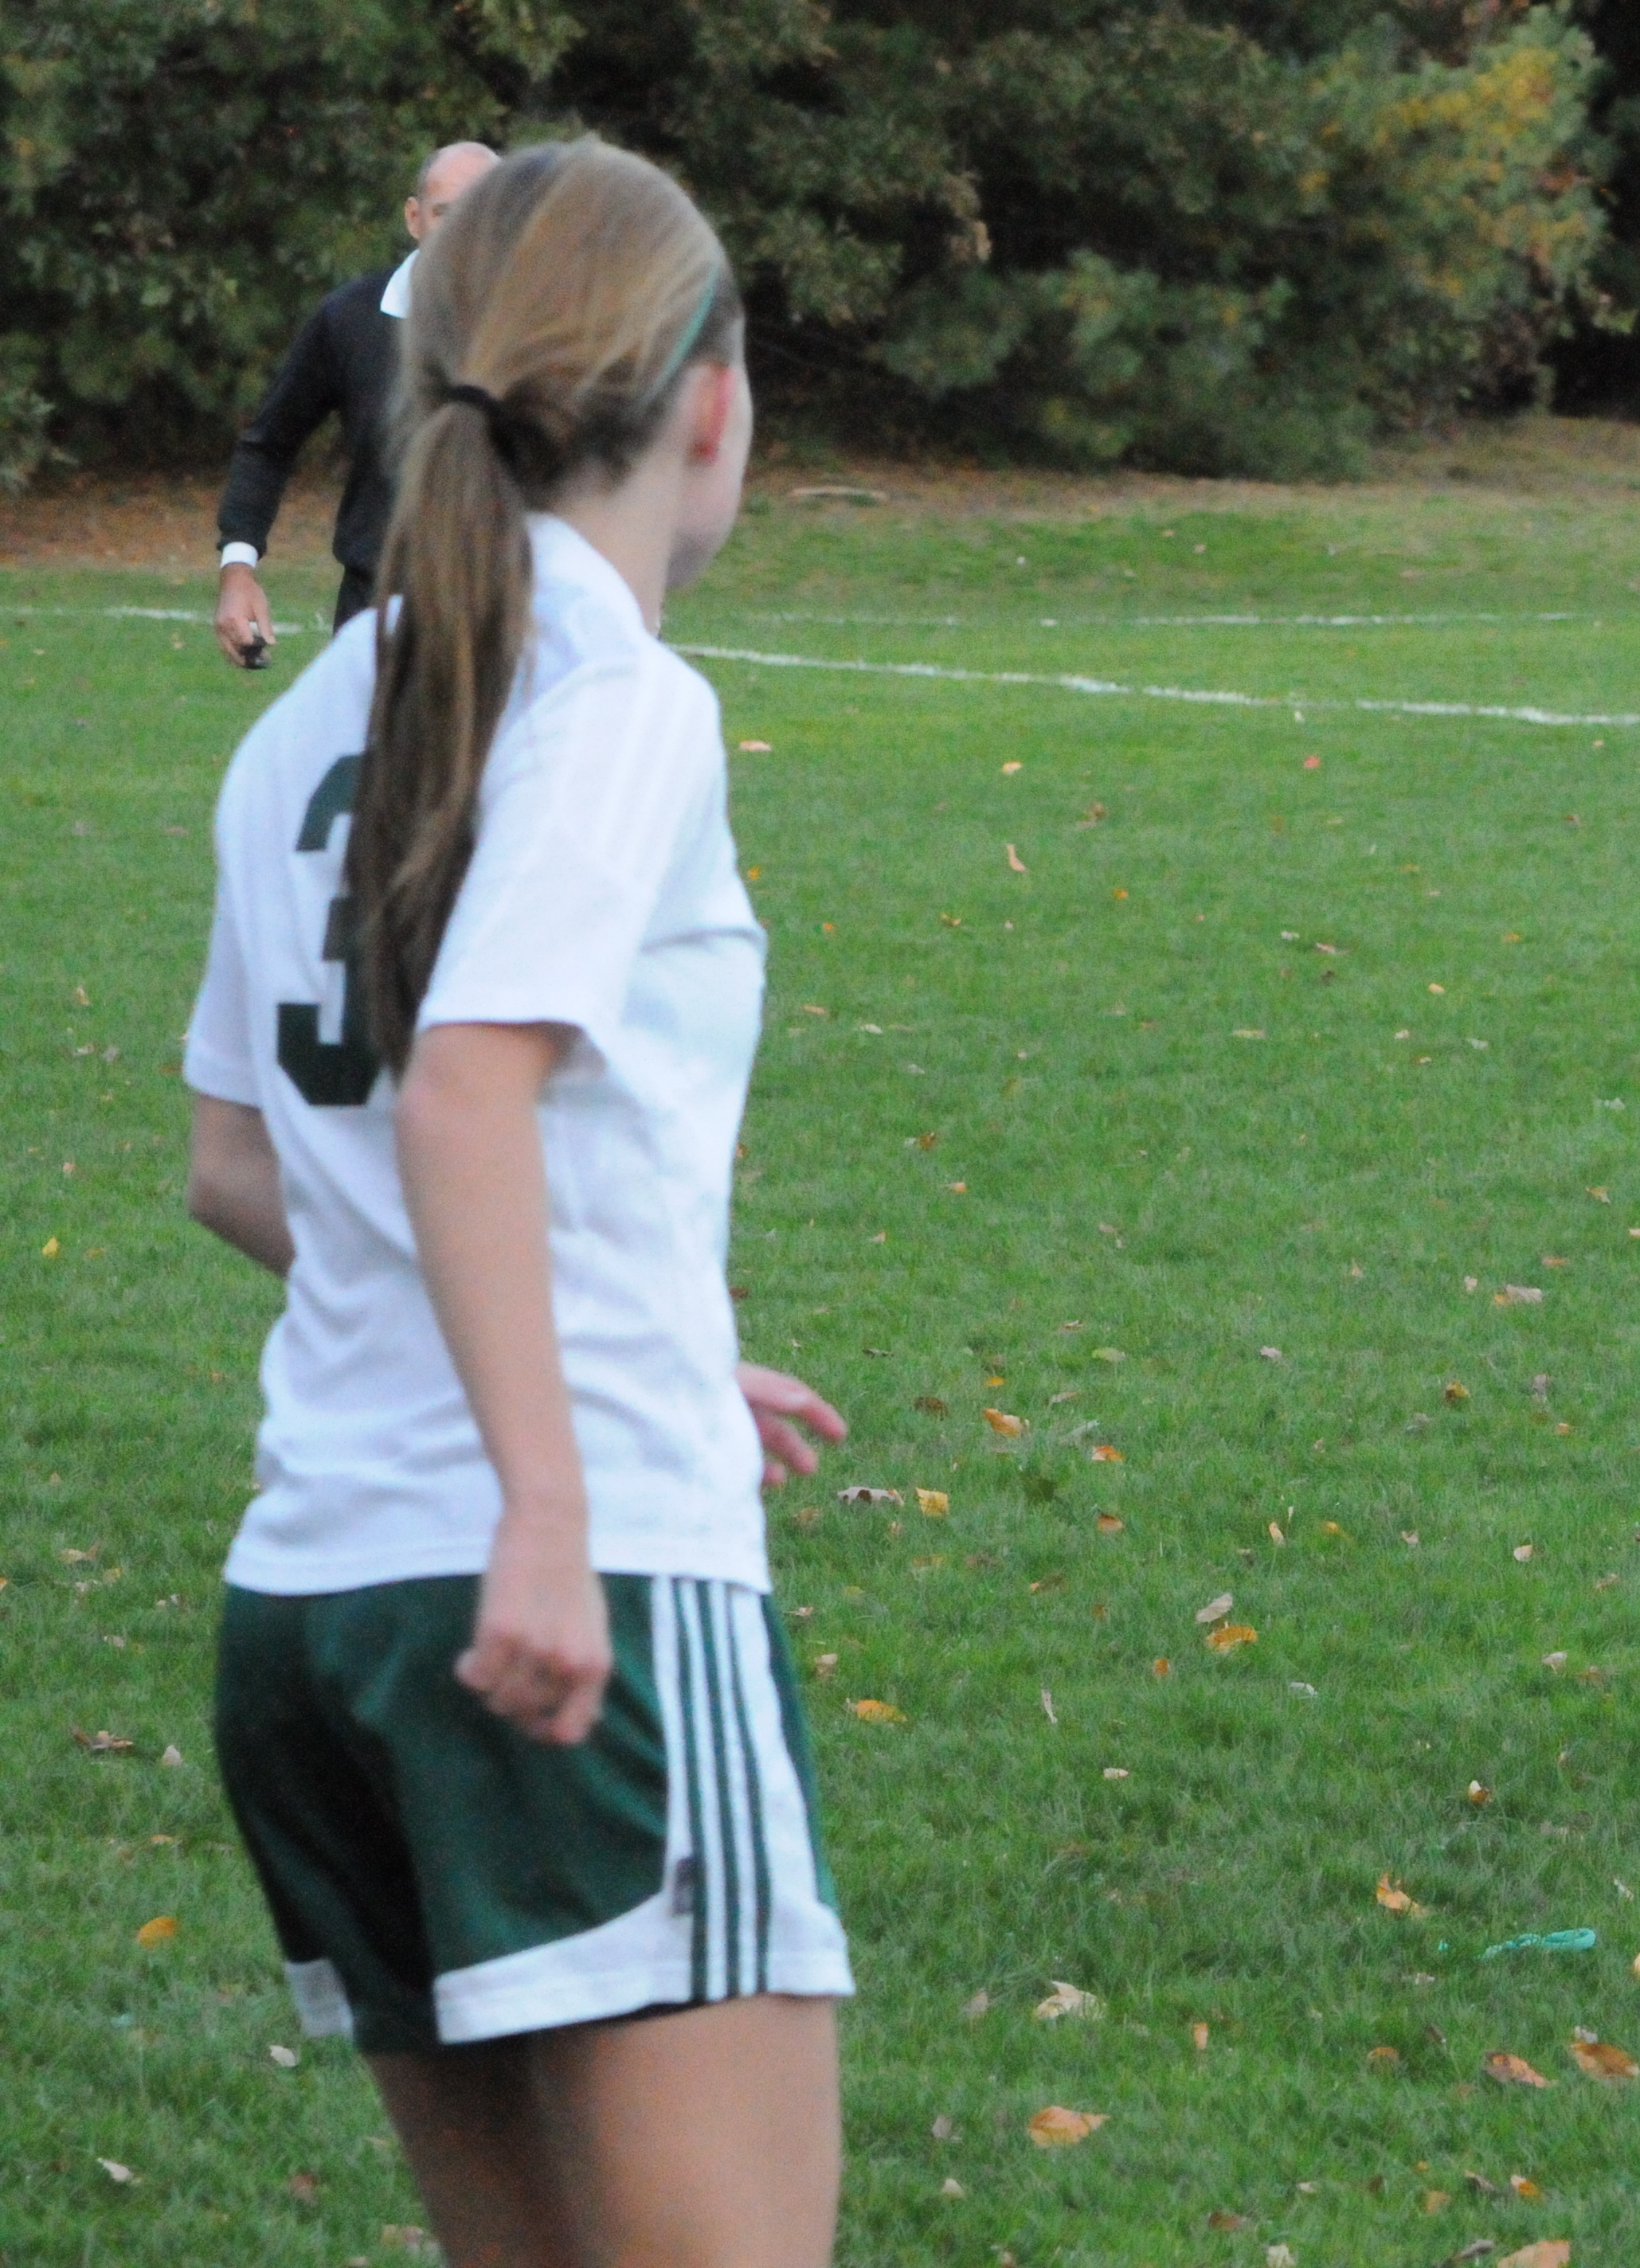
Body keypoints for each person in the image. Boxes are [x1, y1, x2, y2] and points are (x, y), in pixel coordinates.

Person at [181, 139, 854, 2265]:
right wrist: (549, 1490)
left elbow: (236, 1165)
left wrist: (584, 1331)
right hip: (580, 1604)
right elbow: (469, 1087)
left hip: (312, 1617)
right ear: (713, 403)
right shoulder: (615, 691)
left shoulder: (302, 721)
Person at [212, 141, 498, 667]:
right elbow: (269, 445)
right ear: (414, 218)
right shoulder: (350, 319)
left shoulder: (548, 332)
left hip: (510, 620)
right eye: (445, 214)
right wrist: (238, 569)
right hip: (375, 621)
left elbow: (603, 466)